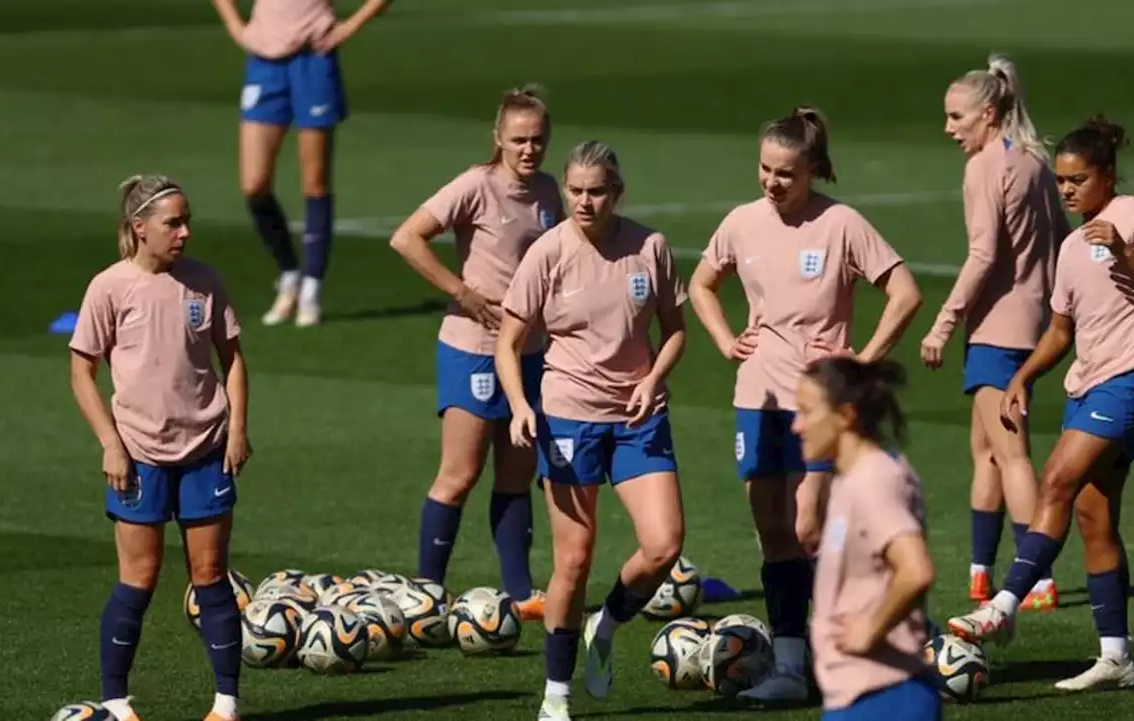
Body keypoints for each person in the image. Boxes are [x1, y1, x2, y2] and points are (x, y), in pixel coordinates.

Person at [947, 116, 1134, 691]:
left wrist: (1128, 253)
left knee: (1054, 477)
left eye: (1078, 179)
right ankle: (1117, 657)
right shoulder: (1071, 244)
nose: (1066, 190)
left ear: (1107, 175)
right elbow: (1061, 330)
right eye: (1060, 181)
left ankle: (1003, 606)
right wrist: (1021, 377)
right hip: (1087, 385)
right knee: (1091, 513)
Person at [688, 106, 922, 703]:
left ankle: (853, 645)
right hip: (757, 396)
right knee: (773, 531)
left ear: (812, 169)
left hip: (821, 408)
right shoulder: (742, 222)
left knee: (808, 526)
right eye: (765, 169)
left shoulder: (841, 224)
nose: (772, 182)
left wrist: (862, 362)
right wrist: (723, 339)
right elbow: (701, 283)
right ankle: (794, 664)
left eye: (785, 173)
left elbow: (904, 292)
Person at [496, 140, 688, 721]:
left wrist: (656, 376)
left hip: (637, 417)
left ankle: (608, 621)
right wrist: (519, 404)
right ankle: (556, 695)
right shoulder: (548, 252)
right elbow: (508, 341)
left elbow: (676, 329)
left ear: (617, 192)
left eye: (597, 191)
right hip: (569, 415)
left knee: (664, 545)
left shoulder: (650, 247)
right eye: (575, 190)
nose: (585, 201)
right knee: (574, 559)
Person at [69, 175, 252, 721]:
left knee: (211, 575)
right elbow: (82, 371)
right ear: (138, 227)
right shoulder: (109, 287)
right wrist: (110, 443)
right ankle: (117, 704)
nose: (185, 232)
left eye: (186, 220)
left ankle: (226, 704)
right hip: (139, 454)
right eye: (173, 223)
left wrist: (238, 428)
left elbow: (233, 358)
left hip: (206, 448)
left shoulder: (204, 283)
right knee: (139, 579)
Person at [389, 86, 562, 620]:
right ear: (498, 140)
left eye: (537, 140)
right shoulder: (476, 186)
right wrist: (461, 291)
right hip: (473, 349)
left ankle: (520, 591)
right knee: (460, 473)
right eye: (518, 140)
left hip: (530, 353)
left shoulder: (551, 192)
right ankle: (427, 593)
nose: (529, 150)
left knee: (515, 473)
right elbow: (406, 238)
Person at [920, 53, 1070, 611]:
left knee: (1010, 454)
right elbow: (1061, 237)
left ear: (987, 112)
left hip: (996, 328)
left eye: (956, 117)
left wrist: (944, 321)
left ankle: (1037, 578)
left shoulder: (985, 167)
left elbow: (982, 255)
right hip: (1028, 323)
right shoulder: (1033, 161)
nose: (948, 129)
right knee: (984, 450)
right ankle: (981, 573)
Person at [212, 0, 392, 327]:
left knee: (314, 181)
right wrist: (236, 27)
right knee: (254, 185)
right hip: (264, 63)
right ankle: (289, 272)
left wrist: (350, 27)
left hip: (314, 60)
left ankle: (311, 289)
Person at [795, 358, 939, 721]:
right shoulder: (849, 479)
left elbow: (916, 570)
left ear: (845, 416)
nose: (796, 426)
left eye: (806, 412)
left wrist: (870, 629)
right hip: (860, 695)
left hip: (884, 697)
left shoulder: (874, 480)